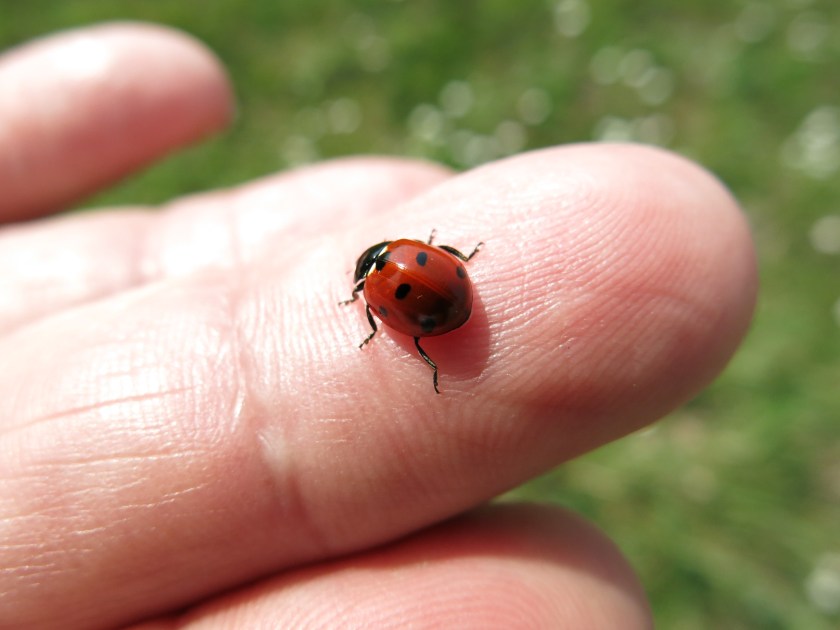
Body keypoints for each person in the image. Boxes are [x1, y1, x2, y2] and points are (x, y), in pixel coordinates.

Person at [0, 23, 756, 629]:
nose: (376, 291)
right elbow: (441, 274)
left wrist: (397, 320)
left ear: (369, 276)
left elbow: (416, 297)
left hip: (444, 312)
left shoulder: (383, 281)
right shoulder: (403, 260)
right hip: (449, 301)